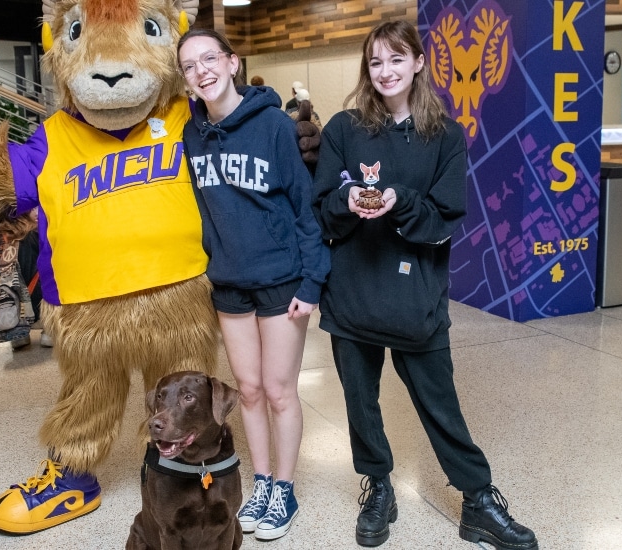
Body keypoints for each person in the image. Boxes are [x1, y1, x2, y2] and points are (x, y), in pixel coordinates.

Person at [311, 21, 537, 550]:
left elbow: (444, 217)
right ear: (365, 70)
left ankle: (478, 501)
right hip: (352, 293)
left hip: (417, 296)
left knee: (440, 402)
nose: (385, 72)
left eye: (396, 60)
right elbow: (322, 211)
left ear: (418, 63)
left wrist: (400, 201)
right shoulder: (344, 129)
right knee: (360, 400)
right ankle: (379, 487)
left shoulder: (445, 135)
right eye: (374, 62)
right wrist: (347, 202)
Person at [177, 28, 331, 542]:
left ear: (232, 62)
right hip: (229, 284)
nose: (202, 71)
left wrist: (312, 282)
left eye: (209, 59)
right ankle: (261, 482)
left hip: (280, 279)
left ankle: (284, 489)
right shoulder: (191, 134)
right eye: (189, 66)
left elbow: (304, 208)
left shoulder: (272, 126)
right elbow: (202, 206)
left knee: (280, 391)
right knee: (247, 390)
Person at [0, 206, 52, 349]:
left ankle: (19, 335)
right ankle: (49, 331)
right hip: (36, 310)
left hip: (4, 312)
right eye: (32, 208)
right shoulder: (36, 234)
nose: (37, 213)